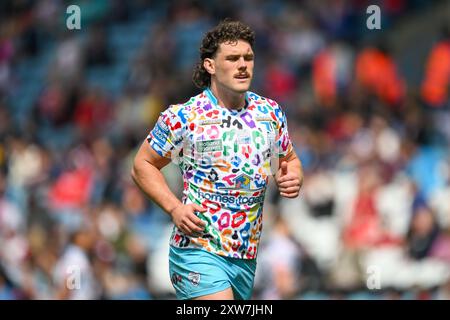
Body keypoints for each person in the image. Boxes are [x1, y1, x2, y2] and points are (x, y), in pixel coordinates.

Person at [132, 19, 303, 300]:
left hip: (245, 257)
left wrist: (294, 176)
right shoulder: (184, 117)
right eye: (233, 58)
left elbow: (289, 161)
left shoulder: (270, 113)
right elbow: (142, 164)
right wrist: (174, 208)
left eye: (248, 58)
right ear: (210, 65)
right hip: (197, 250)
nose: (243, 65)